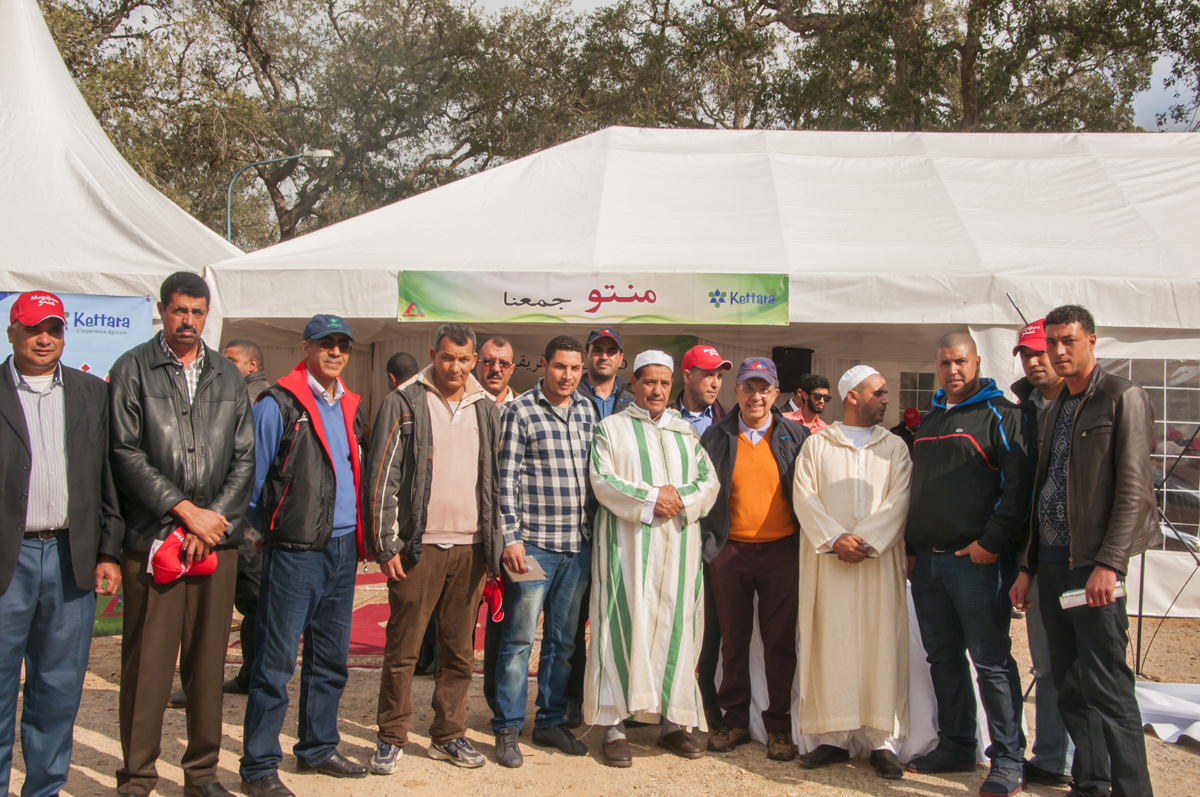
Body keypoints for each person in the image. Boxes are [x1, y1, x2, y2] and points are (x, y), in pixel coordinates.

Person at [109, 271, 255, 797]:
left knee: (206, 662)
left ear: (207, 313)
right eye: (178, 310)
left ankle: (201, 775)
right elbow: (124, 453)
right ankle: (138, 775)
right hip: (152, 539)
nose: (188, 320)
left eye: (197, 311)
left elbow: (244, 460)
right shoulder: (132, 370)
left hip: (216, 541)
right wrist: (183, 511)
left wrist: (211, 522)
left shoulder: (227, 375)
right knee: (148, 665)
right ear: (162, 311)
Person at [1010, 305, 1159, 797]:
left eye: (1068, 340)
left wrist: (1110, 565)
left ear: (1092, 340)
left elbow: (1136, 493)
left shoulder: (1122, 398)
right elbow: (1042, 491)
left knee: (1110, 685)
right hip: (1052, 568)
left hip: (1091, 570)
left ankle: (1133, 790)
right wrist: (1028, 567)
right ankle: (1092, 782)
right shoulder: (1054, 409)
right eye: (1052, 342)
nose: (1058, 350)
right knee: (1070, 682)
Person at [0, 291, 122, 797]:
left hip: (71, 558)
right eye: (32, 328)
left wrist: (109, 550)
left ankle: (45, 788)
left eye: (52, 327)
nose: (43, 338)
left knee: (58, 687)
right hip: (9, 561)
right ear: (12, 333)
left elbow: (109, 477)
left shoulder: (92, 393)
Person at [240, 315, 368, 797]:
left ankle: (318, 747)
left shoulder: (348, 402)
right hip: (295, 550)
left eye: (342, 345)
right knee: (275, 665)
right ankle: (258, 766)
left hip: (341, 547)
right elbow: (253, 480)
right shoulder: (280, 402)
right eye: (326, 344)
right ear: (306, 347)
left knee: (330, 660)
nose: (335, 352)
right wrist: (268, 532)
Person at [366, 323, 501, 771]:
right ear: (433, 354)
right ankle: (391, 735)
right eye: (448, 357)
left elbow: (496, 482)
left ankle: (449, 734)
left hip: (472, 548)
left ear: (474, 360)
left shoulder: (486, 407)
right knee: (403, 649)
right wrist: (386, 543)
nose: (456, 367)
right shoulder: (404, 401)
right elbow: (383, 474)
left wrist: (494, 544)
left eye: (465, 360)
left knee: (459, 650)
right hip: (418, 547)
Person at [905, 332, 1033, 797]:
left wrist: (991, 543)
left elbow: (1018, 489)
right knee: (942, 657)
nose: (952, 370)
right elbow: (919, 488)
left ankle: (1008, 758)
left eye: (960, 361)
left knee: (991, 662)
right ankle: (959, 743)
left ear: (976, 361)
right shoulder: (933, 417)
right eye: (944, 363)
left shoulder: (1003, 414)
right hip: (929, 565)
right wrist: (912, 546)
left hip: (976, 563)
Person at [585, 350, 720, 768]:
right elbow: (602, 480)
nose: (657, 390)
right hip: (626, 552)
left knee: (675, 629)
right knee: (621, 627)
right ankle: (614, 726)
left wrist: (680, 499)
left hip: (678, 552)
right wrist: (650, 498)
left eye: (664, 383)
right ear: (635, 384)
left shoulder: (686, 433)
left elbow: (708, 482)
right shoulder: (612, 429)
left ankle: (672, 724)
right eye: (649, 382)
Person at [791, 366, 911, 780]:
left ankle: (882, 740)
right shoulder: (817, 445)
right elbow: (804, 498)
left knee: (882, 641)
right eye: (878, 392)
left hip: (877, 563)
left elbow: (900, 500)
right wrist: (836, 538)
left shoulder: (894, 447)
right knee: (832, 642)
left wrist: (866, 541)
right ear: (853, 396)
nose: (886, 399)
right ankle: (833, 737)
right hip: (831, 563)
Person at [491, 336, 598, 767]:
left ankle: (550, 720)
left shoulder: (588, 410)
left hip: (578, 547)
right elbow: (505, 480)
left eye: (575, 368)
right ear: (543, 365)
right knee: (518, 641)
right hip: (533, 547)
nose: (568, 376)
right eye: (560, 367)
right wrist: (511, 539)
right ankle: (507, 728)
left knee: (563, 642)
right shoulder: (520, 412)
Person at [699, 357, 808, 761]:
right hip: (731, 550)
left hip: (782, 549)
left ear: (775, 393)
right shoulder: (716, 435)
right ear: (736, 392)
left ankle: (779, 725)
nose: (756, 396)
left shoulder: (796, 435)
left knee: (779, 642)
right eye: (748, 387)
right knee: (733, 639)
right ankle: (735, 720)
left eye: (764, 388)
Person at [1008, 318, 1073, 788]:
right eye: (1027, 354)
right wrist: (1023, 564)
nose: (1036, 361)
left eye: (1042, 351)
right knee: (1047, 664)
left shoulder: (1091, 404)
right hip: (1036, 557)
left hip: (1083, 559)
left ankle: (1092, 761)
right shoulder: (1022, 409)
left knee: (1089, 666)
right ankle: (1052, 759)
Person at [565, 326, 630, 724]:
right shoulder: (570, 393)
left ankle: (620, 701)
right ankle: (574, 699)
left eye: (611, 351)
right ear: (587, 354)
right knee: (572, 622)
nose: (603, 356)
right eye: (598, 349)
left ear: (622, 359)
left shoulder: (634, 399)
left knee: (619, 617)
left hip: (623, 525)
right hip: (578, 524)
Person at [672, 344, 731, 727]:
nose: (715, 382)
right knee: (668, 618)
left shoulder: (727, 422)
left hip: (713, 540)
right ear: (687, 375)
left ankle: (707, 701)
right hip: (669, 532)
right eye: (708, 373)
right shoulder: (660, 415)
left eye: (720, 375)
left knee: (711, 626)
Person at [223, 339, 268, 697]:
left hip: (243, 523)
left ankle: (247, 676)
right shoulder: (236, 394)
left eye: (231, 361)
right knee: (251, 603)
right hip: (246, 523)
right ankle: (250, 676)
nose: (224, 367)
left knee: (231, 603)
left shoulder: (259, 400)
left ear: (252, 365)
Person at [670, 344, 730, 435]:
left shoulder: (731, 420)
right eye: (709, 375)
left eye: (719, 376)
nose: (716, 384)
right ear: (687, 376)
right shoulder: (662, 417)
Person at [478, 336, 519, 407]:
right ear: (476, 364)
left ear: (512, 369)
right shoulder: (462, 404)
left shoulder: (525, 406)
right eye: (489, 362)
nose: (496, 369)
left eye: (503, 364)